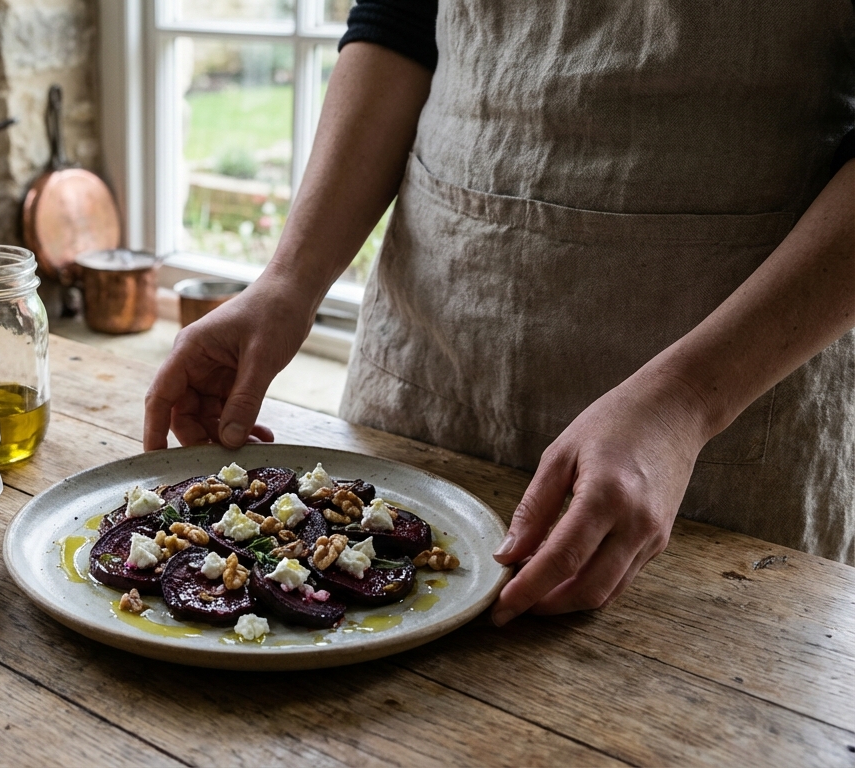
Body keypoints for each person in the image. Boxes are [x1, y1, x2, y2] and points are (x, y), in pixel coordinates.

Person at [143, 0, 855, 626]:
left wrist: (689, 400)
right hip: (437, 345)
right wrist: (288, 280)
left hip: (732, 388)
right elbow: (400, 20)